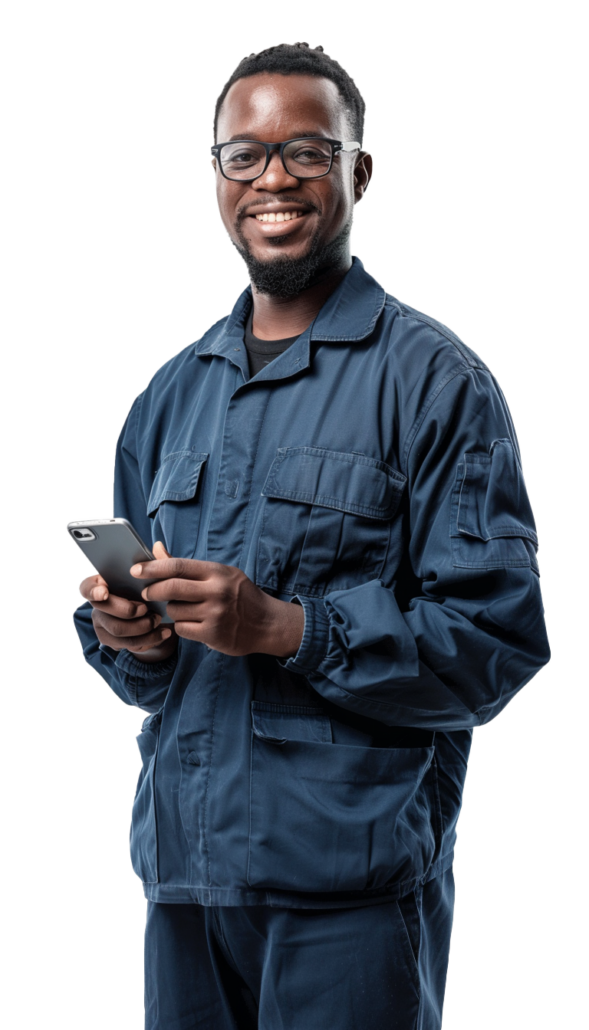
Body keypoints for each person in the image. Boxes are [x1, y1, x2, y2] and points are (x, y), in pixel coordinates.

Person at [73, 41, 550, 1030]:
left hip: (350, 896)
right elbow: (157, 682)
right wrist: (135, 639)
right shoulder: (169, 397)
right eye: (242, 155)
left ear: (358, 171)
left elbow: (498, 643)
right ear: (215, 175)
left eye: (307, 150)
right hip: (185, 885)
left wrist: (291, 629)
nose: (273, 178)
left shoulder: (434, 381)